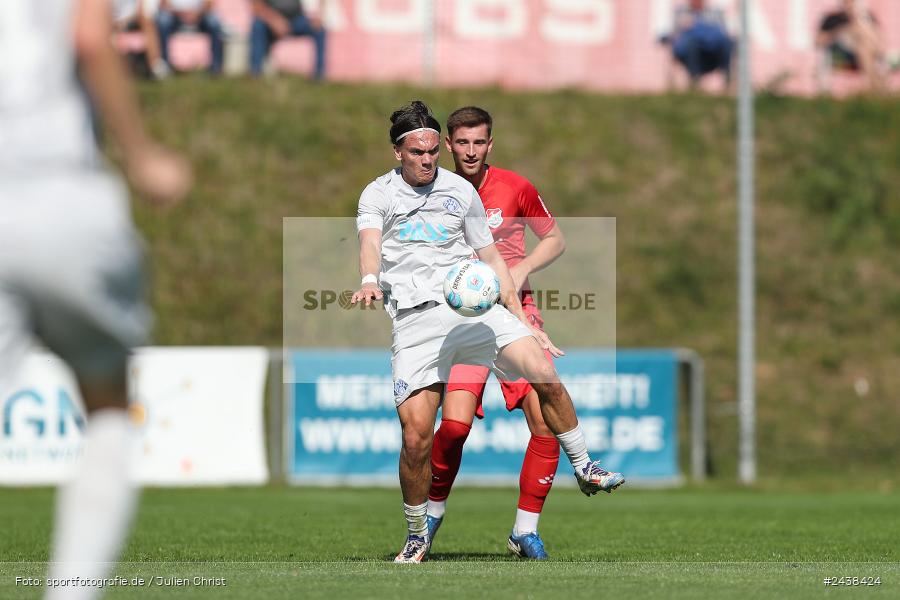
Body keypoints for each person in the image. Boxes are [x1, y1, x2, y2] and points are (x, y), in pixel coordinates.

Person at [352, 101, 624, 564]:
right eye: (418, 152)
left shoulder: (460, 190)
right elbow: (370, 242)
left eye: (434, 151)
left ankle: (584, 465)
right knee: (419, 436)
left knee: (542, 369)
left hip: (474, 310)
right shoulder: (377, 195)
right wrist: (369, 280)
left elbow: (493, 260)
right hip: (418, 322)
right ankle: (418, 532)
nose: (428, 159)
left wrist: (522, 320)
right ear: (397, 151)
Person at [0, 1, 191, 598]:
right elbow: (88, 36)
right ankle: (72, 591)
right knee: (108, 401)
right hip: (61, 190)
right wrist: (140, 155)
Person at [424, 106, 570, 560]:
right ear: (448, 145)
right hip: (464, 321)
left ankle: (524, 531)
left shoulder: (515, 187)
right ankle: (428, 518)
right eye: (462, 143)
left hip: (515, 313)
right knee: (452, 427)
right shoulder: (431, 191)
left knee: (544, 421)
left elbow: (555, 239)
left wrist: (522, 266)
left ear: (491, 144)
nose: (470, 151)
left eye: (479, 142)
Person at [816, 0, 894, 93]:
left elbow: (880, 36)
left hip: (865, 51)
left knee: (864, 46)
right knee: (859, 31)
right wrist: (840, 30)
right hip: (844, 54)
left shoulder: (867, 16)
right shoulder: (833, 18)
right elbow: (818, 41)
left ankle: (877, 87)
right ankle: (880, 88)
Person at [660, 0, 733, 90]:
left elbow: (724, 34)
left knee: (728, 43)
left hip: (713, 52)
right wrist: (684, 28)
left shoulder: (716, 12)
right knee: (692, 43)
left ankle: (727, 80)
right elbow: (673, 35)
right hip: (688, 53)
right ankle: (694, 80)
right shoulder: (680, 12)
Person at [249, 0, 326, 80]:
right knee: (257, 26)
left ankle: (319, 75)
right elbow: (256, 6)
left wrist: (319, 14)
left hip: (296, 18)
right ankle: (255, 72)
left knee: (319, 30)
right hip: (271, 20)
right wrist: (274, 20)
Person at [156, 0, 226, 75]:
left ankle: (216, 66)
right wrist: (181, 13)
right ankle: (163, 66)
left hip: (200, 15)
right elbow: (163, 4)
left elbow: (209, 4)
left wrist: (196, 13)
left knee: (214, 22)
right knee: (163, 21)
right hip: (175, 16)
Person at [114, 0, 169, 79]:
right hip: (120, 20)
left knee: (148, 23)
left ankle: (155, 65)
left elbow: (145, 13)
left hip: (136, 19)